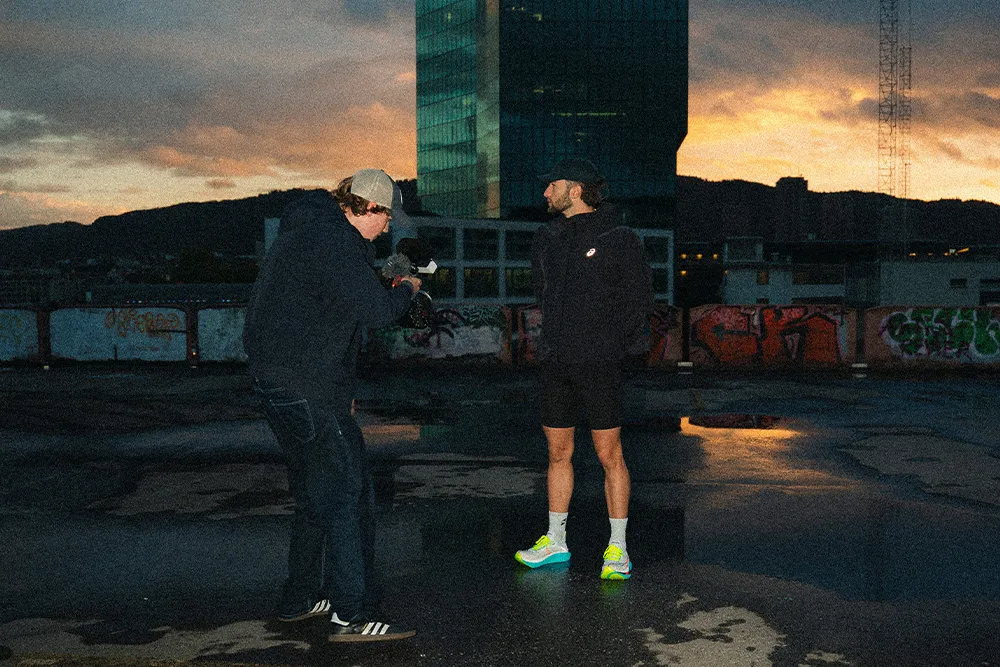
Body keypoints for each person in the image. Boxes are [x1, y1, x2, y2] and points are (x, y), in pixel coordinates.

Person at [243, 169, 420, 642]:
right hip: (307, 389)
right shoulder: (336, 245)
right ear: (369, 209)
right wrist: (408, 287)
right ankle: (352, 614)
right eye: (386, 219)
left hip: (281, 385)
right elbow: (379, 312)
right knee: (348, 497)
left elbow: (325, 317)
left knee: (314, 496)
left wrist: (341, 391)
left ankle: (300, 598)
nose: (387, 229)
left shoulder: (307, 234)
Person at [515, 158, 652, 580]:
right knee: (558, 453)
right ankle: (556, 541)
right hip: (556, 362)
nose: (544, 193)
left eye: (551, 185)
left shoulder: (620, 237)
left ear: (574, 190)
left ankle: (617, 548)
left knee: (609, 455)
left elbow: (639, 303)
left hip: (600, 363)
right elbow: (543, 293)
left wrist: (615, 350)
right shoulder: (546, 237)